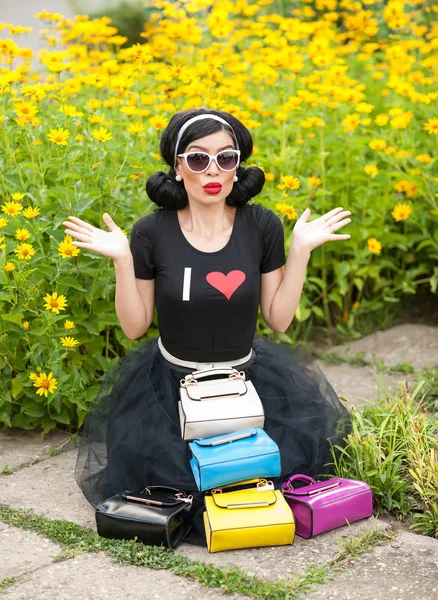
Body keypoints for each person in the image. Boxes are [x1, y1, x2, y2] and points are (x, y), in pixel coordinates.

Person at [65, 107, 352, 546]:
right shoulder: (150, 232)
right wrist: (123, 259)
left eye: (226, 157)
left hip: (247, 381)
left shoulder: (261, 225)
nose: (212, 171)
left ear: (239, 165)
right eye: (198, 159)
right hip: (171, 387)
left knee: (268, 476)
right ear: (177, 167)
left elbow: (278, 319)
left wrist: (301, 251)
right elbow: (134, 326)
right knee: (178, 483)